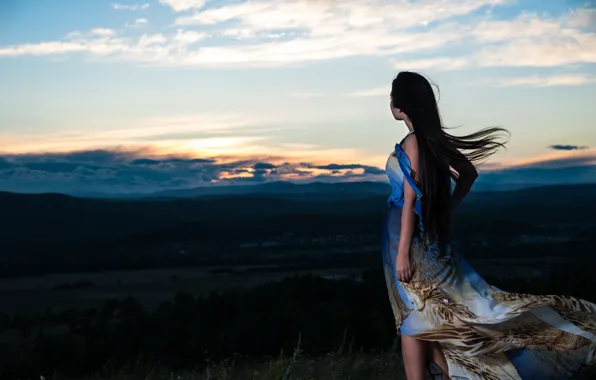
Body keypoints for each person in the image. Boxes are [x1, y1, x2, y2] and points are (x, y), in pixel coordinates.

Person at [382, 71, 596, 380]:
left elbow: (410, 197)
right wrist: (445, 210)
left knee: (415, 316)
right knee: (426, 317)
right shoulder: (432, 141)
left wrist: (403, 251)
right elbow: (468, 175)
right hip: (421, 235)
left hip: (407, 238)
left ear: (400, 104)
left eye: (391, 98)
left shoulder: (414, 142)